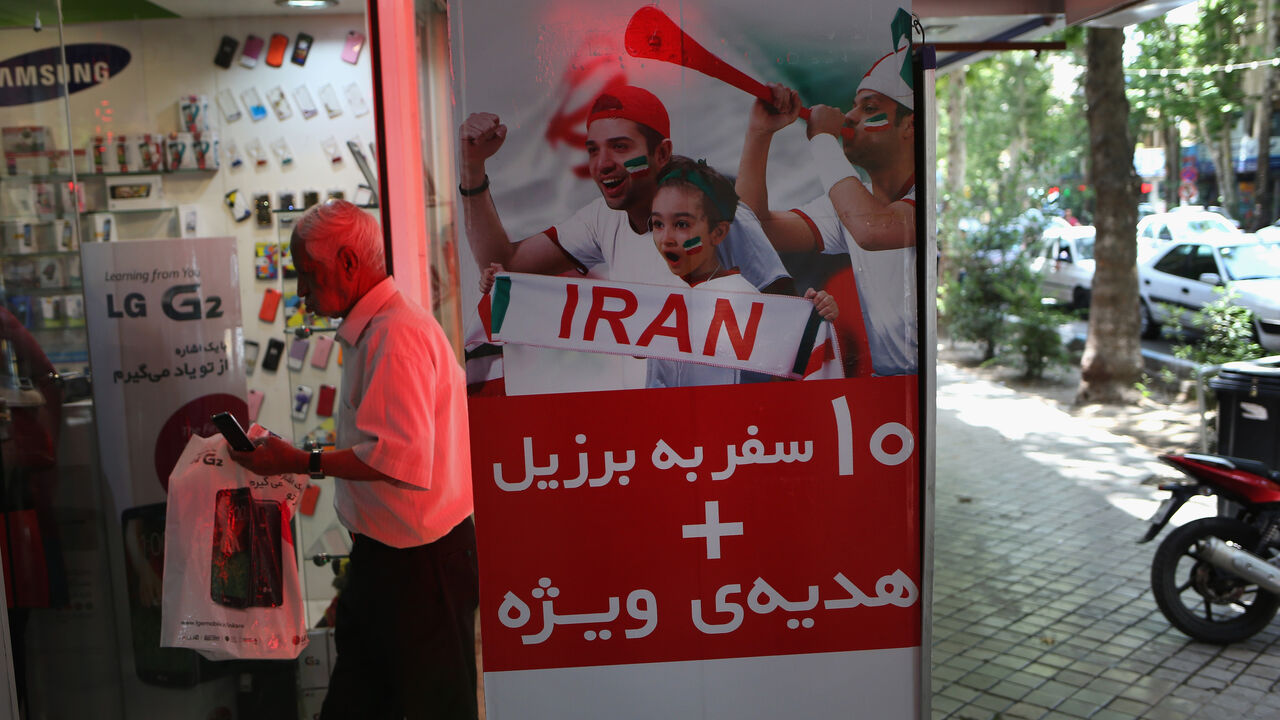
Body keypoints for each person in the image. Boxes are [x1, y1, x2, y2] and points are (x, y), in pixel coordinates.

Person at [227, 200, 477, 720]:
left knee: (430, 707)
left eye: (308, 274)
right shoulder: (378, 330)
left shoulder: (394, 335)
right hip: (389, 559)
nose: (301, 291)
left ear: (347, 262)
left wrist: (300, 461)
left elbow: (399, 459)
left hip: (419, 564)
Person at [459, 85, 792, 392]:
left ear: (661, 153)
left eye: (619, 147)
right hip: (649, 423)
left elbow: (787, 322)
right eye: (593, 150)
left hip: (724, 421)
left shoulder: (719, 214)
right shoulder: (601, 218)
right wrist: (472, 168)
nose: (603, 164)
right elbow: (505, 264)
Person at [735, 21, 918, 376]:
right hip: (886, 384)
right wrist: (759, 133)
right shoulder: (852, 202)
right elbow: (754, 228)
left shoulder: (920, 199)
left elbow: (872, 230)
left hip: (920, 386)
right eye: (854, 106)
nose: (849, 116)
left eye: (869, 108)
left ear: (909, 126)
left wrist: (822, 138)